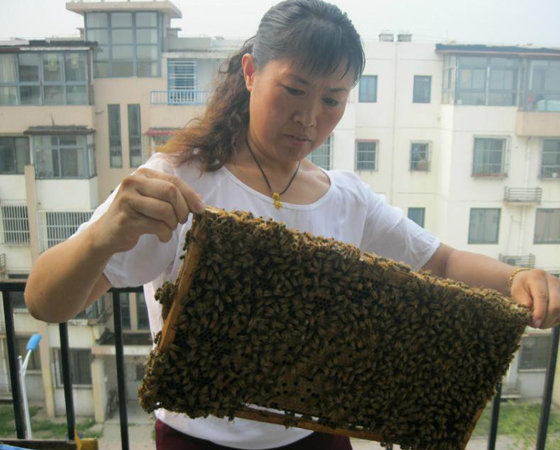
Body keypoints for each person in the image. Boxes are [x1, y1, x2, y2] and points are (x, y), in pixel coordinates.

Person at [25, 0, 560, 449]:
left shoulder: (347, 197)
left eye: (332, 99)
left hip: (318, 437)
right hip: (196, 441)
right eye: (295, 90)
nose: (310, 117)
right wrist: (100, 237)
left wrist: (516, 277)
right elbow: (46, 303)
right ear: (250, 72)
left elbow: (439, 260)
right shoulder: (177, 181)